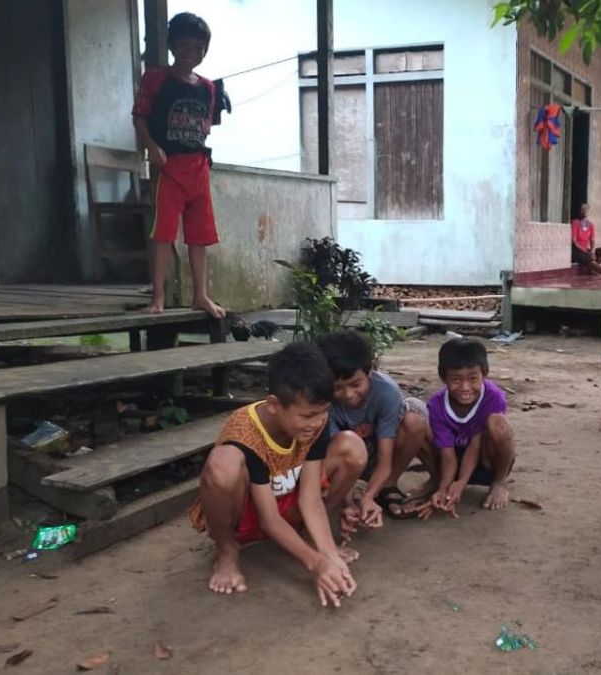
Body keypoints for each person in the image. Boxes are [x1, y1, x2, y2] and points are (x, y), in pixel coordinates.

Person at [189, 342, 367, 606]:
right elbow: (268, 519)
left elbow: (310, 497)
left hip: (288, 499)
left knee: (352, 446)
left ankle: (309, 535)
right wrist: (316, 563)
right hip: (251, 514)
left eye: (323, 412)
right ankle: (227, 551)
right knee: (222, 465)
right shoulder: (247, 433)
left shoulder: (315, 421)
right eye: (308, 416)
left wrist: (329, 555)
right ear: (273, 405)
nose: (317, 423)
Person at [132, 12, 226, 319]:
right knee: (164, 233)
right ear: (173, 46)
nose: (192, 54)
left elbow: (206, 126)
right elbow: (140, 116)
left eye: (199, 48)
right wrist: (151, 147)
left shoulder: (209, 87)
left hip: (198, 167)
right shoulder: (156, 78)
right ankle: (157, 297)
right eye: (185, 46)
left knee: (200, 235)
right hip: (168, 167)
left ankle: (200, 295)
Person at [316, 330, 431, 523]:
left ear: (370, 371)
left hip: (377, 453)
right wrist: (349, 503)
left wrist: (368, 497)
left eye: (355, 384)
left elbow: (385, 461)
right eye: (338, 387)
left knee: (415, 419)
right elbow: (333, 456)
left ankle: (387, 486)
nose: (348, 394)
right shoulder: (322, 403)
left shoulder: (386, 391)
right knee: (346, 446)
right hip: (345, 456)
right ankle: (345, 499)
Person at [416, 338, 516, 517]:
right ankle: (436, 480)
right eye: (455, 379)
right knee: (417, 424)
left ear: (484, 373)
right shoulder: (436, 405)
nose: (465, 387)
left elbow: (475, 447)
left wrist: (461, 483)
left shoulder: (493, 397)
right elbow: (447, 455)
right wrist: (444, 489)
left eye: (473, 378)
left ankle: (499, 481)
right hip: (451, 460)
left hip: (485, 460)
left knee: (498, 424)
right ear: (443, 377)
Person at [571, 203, 601, 276]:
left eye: (586, 209)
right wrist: (586, 251)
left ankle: (591, 270)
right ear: (580, 211)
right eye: (582, 209)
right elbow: (574, 241)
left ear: (588, 211)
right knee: (589, 257)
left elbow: (592, 240)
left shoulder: (590, 225)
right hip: (577, 251)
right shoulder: (575, 222)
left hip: (586, 250)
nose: (584, 211)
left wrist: (592, 250)